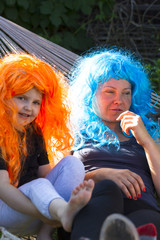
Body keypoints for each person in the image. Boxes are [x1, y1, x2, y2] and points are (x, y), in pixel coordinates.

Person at [67, 47, 160, 240]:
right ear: (90, 94)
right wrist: (100, 175)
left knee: (151, 220)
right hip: (92, 204)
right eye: (110, 92)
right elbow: (56, 181)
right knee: (108, 189)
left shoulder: (147, 131)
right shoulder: (71, 129)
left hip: (140, 207)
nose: (120, 101)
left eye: (126, 93)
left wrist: (147, 142)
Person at [0, 53, 94, 240]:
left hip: (40, 211)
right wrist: (47, 212)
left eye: (36, 102)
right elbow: (2, 188)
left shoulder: (33, 131)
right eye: (22, 98)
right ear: (3, 97)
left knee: (72, 163)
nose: (29, 107)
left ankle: (45, 233)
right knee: (40, 185)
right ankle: (62, 213)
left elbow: (46, 174)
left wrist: (49, 206)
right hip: (7, 211)